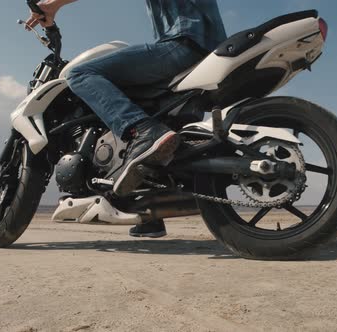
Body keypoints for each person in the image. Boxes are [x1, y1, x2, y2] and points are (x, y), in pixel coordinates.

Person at [27, 0, 227, 238]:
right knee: (151, 116)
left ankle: (141, 129)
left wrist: (52, 5)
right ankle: (147, 211)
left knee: (79, 73)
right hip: (208, 51)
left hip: (184, 43)